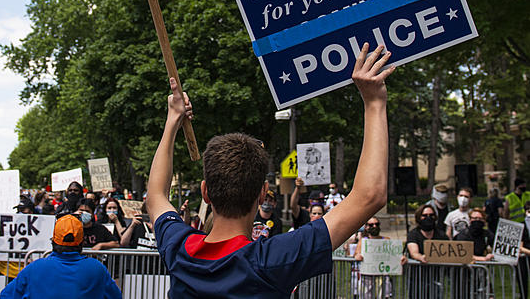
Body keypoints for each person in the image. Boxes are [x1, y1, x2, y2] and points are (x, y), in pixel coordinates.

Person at [147, 43, 394, 298]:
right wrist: (374, 101)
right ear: (263, 193)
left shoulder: (181, 249)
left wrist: (172, 121)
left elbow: (155, 195)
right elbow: (369, 195)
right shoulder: (273, 260)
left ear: (205, 192)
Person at [0, 213, 122, 299]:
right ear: (81, 241)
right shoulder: (97, 269)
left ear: (53, 240)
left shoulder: (35, 268)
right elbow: (116, 296)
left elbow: (6, 296)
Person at [404, 204, 448, 299]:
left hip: (436, 277)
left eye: (431, 215)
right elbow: (414, 252)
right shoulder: (413, 234)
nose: (428, 218)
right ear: (419, 218)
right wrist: (421, 257)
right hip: (417, 278)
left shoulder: (441, 235)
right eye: (425, 215)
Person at [353, 216, 391, 299]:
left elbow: (394, 254)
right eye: (371, 225)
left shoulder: (386, 240)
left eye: (376, 224)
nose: (374, 226)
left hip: (383, 276)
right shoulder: (363, 241)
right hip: (367, 276)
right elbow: (356, 253)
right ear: (366, 227)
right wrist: (357, 256)